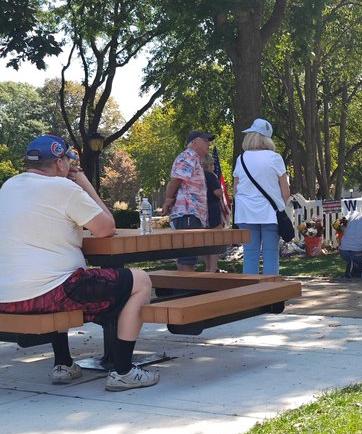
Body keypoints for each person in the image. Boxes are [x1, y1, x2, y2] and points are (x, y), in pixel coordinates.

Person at [0, 135, 159, 391]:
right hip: (51, 292)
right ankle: (123, 371)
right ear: (61, 163)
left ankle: (63, 364)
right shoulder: (64, 188)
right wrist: (85, 184)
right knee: (140, 281)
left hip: (6, 296)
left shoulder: (8, 186)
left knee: (57, 273)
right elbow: (106, 228)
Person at [232, 118, 290, 275]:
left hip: (245, 213)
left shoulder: (241, 158)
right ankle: (271, 293)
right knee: (270, 253)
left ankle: (250, 293)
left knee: (250, 254)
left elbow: (236, 189)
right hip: (269, 213)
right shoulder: (275, 158)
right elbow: (285, 191)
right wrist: (282, 207)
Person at [162, 130, 215, 272]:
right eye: (205, 140)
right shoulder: (188, 155)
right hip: (188, 213)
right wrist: (168, 200)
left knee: (187, 255)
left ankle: (184, 289)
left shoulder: (193, 158)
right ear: (195, 141)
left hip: (192, 214)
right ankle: (186, 291)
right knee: (187, 257)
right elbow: (176, 180)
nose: (209, 144)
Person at [201, 154, 226, 273]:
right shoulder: (210, 176)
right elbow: (217, 192)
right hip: (212, 209)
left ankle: (207, 267)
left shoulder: (196, 176)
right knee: (216, 239)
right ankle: (213, 267)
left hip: (201, 210)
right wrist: (221, 192)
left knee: (205, 241)